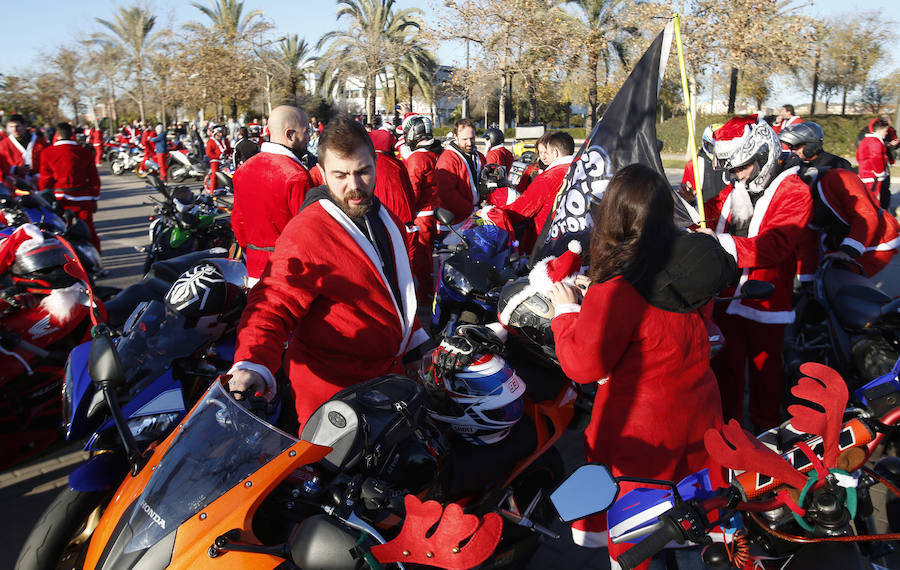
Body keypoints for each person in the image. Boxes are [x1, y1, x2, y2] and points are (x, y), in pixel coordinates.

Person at [547, 164, 732, 566]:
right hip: (699, 412)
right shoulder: (691, 269)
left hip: (641, 431)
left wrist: (565, 313)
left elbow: (582, 366)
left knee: (637, 534)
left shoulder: (616, 288)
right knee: (695, 511)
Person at [226, 116, 428, 428]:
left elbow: (396, 292)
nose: (355, 186)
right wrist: (252, 362)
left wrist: (415, 346)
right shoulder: (307, 231)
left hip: (386, 383)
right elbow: (272, 301)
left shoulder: (386, 219)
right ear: (321, 173)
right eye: (341, 175)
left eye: (363, 172)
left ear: (376, 163)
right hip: (334, 400)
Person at [701, 115, 812, 430]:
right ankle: (729, 434)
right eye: (731, 169)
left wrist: (720, 243)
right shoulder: (735, 186)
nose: (735, 175)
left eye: (741, 167)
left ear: (762, 154)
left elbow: (775, 245)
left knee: (766, 374)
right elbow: (710, 213)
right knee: (726, 372)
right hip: (725, 297)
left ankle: (768, 433)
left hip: (765, 299)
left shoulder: (795, 190)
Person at [784, 121, 900, 278]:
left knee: (841, 281)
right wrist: (807, 278)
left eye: (796, 147)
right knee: (820, 283)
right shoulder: (806, 178)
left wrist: (848, 250)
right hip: (838, 236)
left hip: (876, 240)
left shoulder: (835, 173)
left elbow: (865, 214)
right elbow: (809, 235)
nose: (793, 151)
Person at [231, 105, 312, 285]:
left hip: (252, 268)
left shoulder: (243, 170)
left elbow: (238, 221)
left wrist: (251, 251)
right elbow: (307, 232)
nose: (308, 137)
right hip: (290, 272)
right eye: (306, 131)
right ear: (290, 135)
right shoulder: (296, 175)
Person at [483, 131, 575, 254]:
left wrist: (491, 213)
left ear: (555, 153)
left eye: (546, 152)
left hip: (544, 244)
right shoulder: (581, 172)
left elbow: (521, 210)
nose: (543, 156)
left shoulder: (548, 178)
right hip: (574, 241)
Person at [38, 122, 101, 251]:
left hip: (60, 199)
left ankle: (65, 261)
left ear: (57, 135)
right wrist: (94, 197)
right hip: (83, 199)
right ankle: (96, 263)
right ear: (72, 134)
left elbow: (45, 180)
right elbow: (93, 178)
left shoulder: (47, 153)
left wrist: (45, 197)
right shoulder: (85, 152)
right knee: (88, 231)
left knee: (59, 232)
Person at [404, 115, 443, 299]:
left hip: (423, 215)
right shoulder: (437, 153)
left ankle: (426, 294)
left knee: (422, 260)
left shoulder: (417, 158)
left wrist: (406, 213)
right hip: (438, 212)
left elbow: (413, 191)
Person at [435, 118, 485, 225]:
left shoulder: (479, 157)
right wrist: (471, 210)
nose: (469, 143)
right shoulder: (448, 159)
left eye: (472, 138)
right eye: (465, 139)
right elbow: (447, 194)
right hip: (454, 220)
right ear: (455, 136)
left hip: (475, 214)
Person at [369, 128, 415, 226]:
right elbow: (411, 194)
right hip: (406, 220)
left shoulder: (368, 164)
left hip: (383, 220)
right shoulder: (398, 164)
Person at [0, 114, 48, 186]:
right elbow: (2, 167)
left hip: (38, 185)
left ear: (25, 125)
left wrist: (39, 175)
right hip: (14, 188)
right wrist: (15, 170)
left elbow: (48, 163)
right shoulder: (3, 145)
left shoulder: (40, 142)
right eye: (11, 127)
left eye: (17, 126)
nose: (15, 129)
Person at [857, 118, 891, 208]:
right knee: (873, 200)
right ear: (879, 130)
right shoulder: (875, 142)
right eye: (885, 130)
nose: (886, 133)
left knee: (867, 197)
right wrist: (879, 172)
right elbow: (876, 157)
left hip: (866, 173)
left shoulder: (866, 140)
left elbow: (858, 156)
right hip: (873, 176)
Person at [205, 124, 231, 193]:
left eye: (221, 132)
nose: (221, 134)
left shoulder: (225, 140)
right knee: (214, 173)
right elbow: (208, 153)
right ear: (215, 133)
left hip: (226, 160)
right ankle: (212, 190)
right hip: (216, 160)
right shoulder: (210, 142)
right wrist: (218, 156)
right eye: (219, 132)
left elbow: (229, 149)